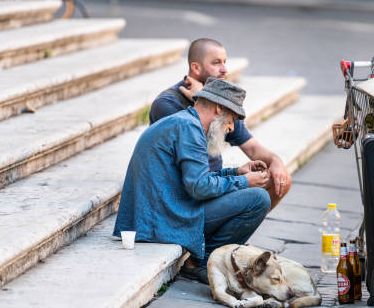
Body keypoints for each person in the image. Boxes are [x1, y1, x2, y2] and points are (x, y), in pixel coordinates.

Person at [113, 79, 272, 284]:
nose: (232, 127)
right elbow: (199, 188)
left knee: (249, 193)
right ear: (218, 108)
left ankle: (205, 259)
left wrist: (237, 173)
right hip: (161, 222)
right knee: (258, 198)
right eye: (232, 119)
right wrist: (245, 182)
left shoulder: (185, 123)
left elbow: (196, 181)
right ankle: (204, 264)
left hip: (159, 214)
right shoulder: (189, 128)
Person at [149, 38, 291, 211]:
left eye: (225, 62)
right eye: (216, 63)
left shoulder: (222, 102)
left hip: (214, 182)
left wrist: (276, 162)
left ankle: (231, 230)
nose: (224, 69)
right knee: (257, 198)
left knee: (280, 179)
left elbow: (252, 148)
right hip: (186, 192)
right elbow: (190, 150)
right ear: (195, 67)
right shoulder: (167, 104)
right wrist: (199, 100)